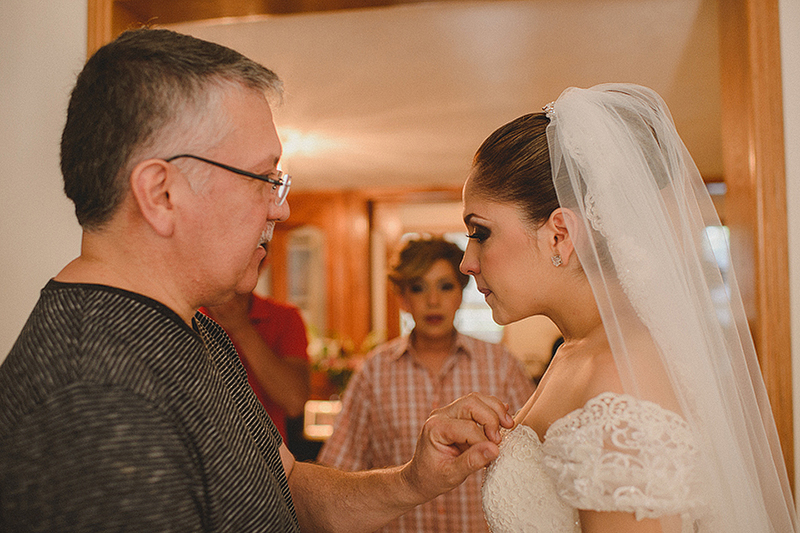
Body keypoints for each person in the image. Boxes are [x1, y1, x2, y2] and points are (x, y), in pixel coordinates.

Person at [0, 28, 515, 532]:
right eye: (263, 179)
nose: (282, 207)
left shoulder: (195, 333)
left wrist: (412, 482)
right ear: (161, 194)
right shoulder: (98, 404)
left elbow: (286, 488)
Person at [460, 84, 797, 532]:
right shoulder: (576, 350)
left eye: (480, 232)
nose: (466, 261)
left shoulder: (620, 372)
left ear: (559, 233)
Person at [318, 236, 533, 532]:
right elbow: (338, 467)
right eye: (419, 288)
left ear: (461, 293)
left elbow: (533, 461)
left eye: (445, 286)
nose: (433, 301)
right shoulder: (375, 371)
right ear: (403, 298)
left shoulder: (501, 366)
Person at [203, 249, 311, 446]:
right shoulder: (188, 313)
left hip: (267, 457)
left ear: (262, 263)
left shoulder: (285, 318)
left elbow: (294, 402)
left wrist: (241, 327)